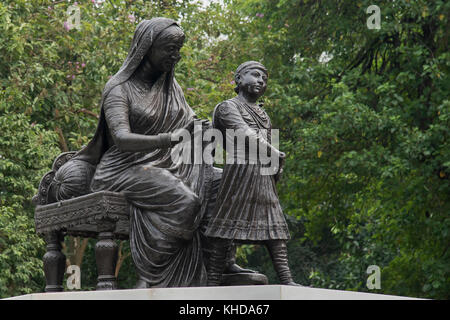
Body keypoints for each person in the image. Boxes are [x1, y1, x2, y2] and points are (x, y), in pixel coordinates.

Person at [73, 18, 213, 288]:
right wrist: (167, 139)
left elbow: (185, 126)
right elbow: (122, 139)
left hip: (168, 162)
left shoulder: (172, 89)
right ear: (147, 48)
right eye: (170, 48)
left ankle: (220, 268)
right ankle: (151, 275)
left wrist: (197, 130)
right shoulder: (118, 88)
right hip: (121, 169)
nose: (176, 55)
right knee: (185, 200)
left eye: (179, 49)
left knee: (218, 185)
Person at [204, 61, 300, 286]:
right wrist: (275, 152)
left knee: (274, 225)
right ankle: (212, 282)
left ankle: (287, 280)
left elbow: (267, 143)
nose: (260, 81)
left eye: (264, 79)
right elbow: (243, 133)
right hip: (240, 172)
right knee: (225, 227)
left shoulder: (264, 115)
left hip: (263, 175)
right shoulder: (228, 107)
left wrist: (276, 166)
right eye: (255, 75)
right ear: (238, 80)